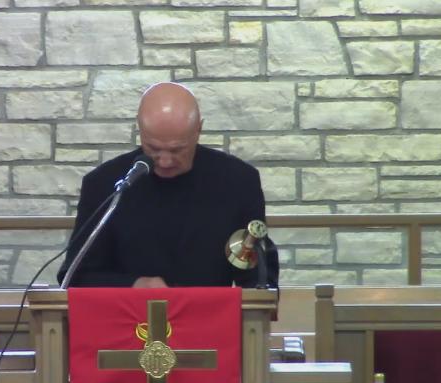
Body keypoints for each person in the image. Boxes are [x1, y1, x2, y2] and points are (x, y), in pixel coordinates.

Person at [57, 82, 279, 288]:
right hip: (126, 315)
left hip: (210, 314)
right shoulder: (104, 185)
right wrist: (133, 285)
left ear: (198, 130)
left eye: (177, 150)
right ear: (140, 130)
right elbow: (75, 276)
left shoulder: (237, 181)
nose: (164, 161)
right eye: (153, 148)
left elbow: (257, 274)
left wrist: (259, 298)